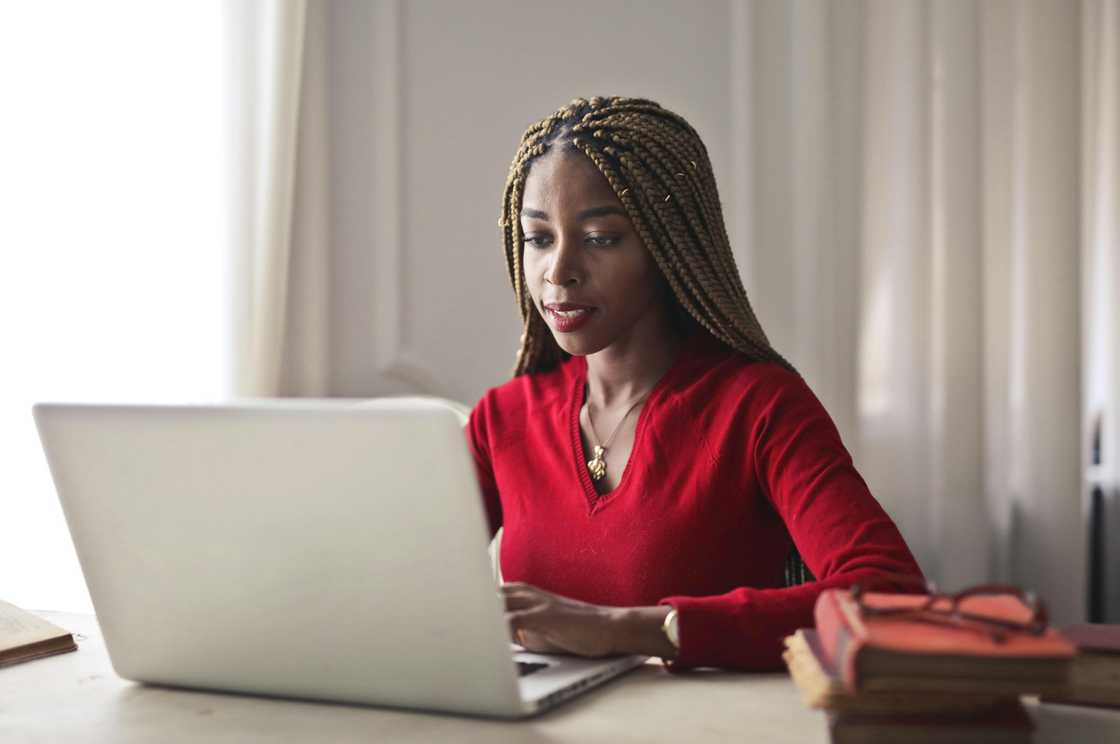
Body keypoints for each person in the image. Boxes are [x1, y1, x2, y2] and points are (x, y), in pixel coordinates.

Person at [466, 96, 923, 672]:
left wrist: (620, 628)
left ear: (667, 244)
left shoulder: (758, 407)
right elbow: (395, 592)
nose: (559, 271)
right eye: (539, 239)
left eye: (601, 237)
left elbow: (891, 597)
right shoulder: (501, 420)